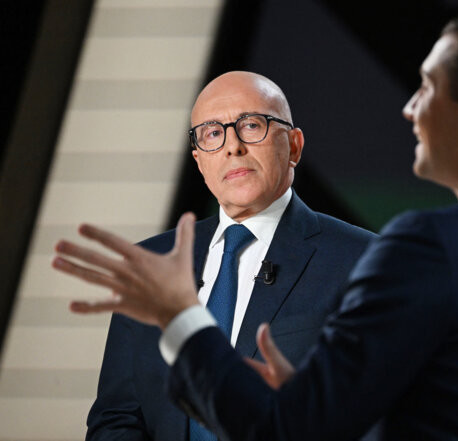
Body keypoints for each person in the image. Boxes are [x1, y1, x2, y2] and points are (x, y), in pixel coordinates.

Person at [53, 7, 458, 441]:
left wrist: (179, 318)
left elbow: (285, 430)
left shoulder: (423, 247)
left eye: (425, 87)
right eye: (213, 134)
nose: (409, 107)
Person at [77, 71, 376, 440]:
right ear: (200, 160)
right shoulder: (150, 264)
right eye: (213, 133)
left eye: (252, 125)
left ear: (294, 146)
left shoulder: (366, 261)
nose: (232, 146)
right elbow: (116, 419)